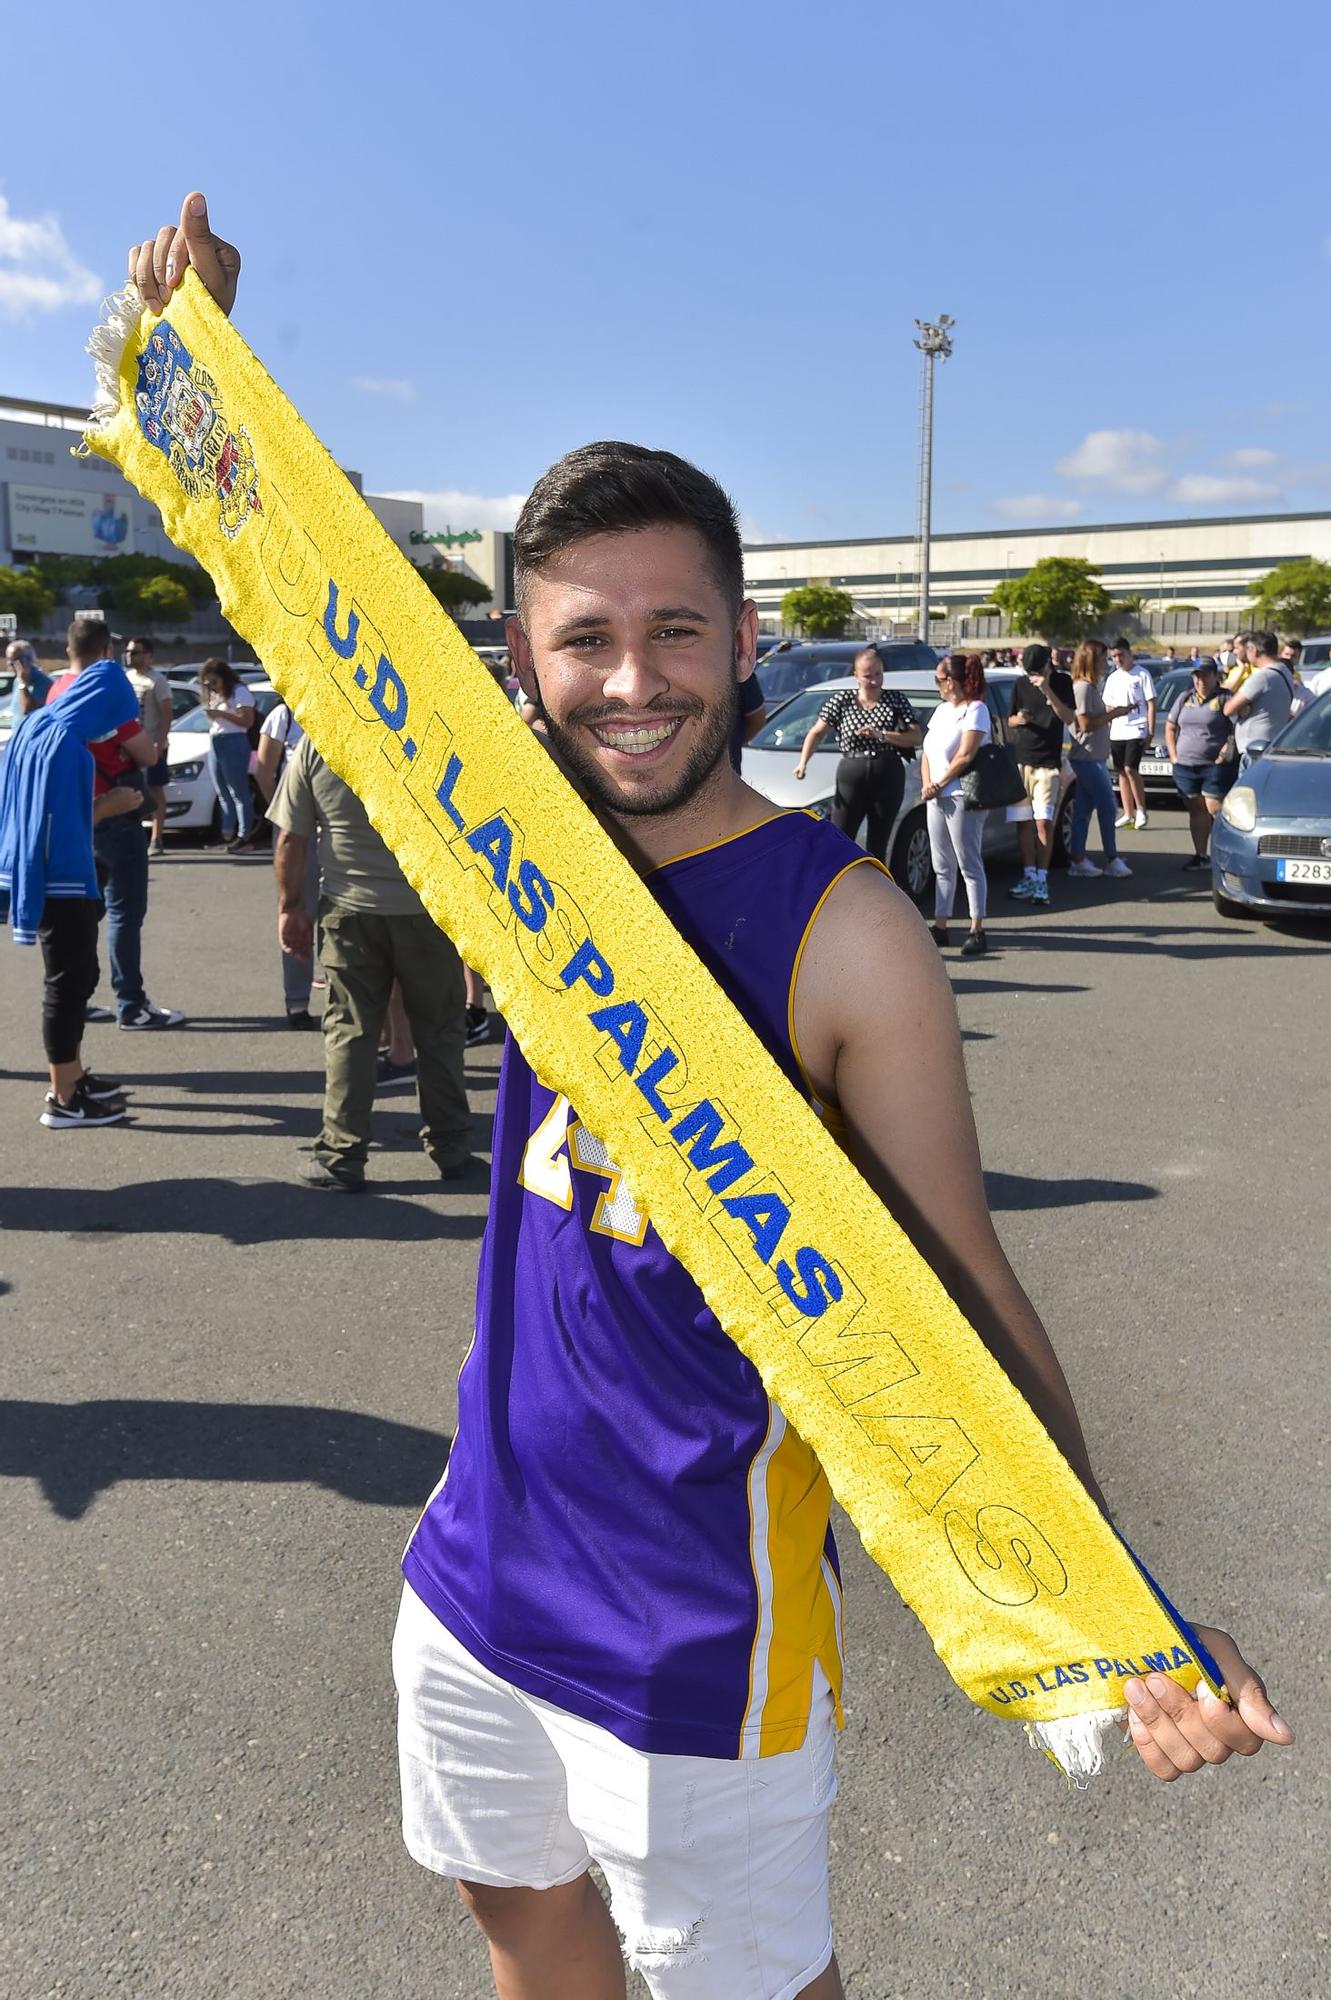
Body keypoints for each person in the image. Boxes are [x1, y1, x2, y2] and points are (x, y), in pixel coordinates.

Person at [137, 189, 1292, 2000]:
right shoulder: (517, 846)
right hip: (474, 1565)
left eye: (674, 633)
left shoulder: (846, 935)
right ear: (525, 662)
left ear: (746, 639)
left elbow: (962, 1286)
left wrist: (1109, 1609)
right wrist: (211, 365)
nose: (630, 683)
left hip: (698, 1628)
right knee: (511, 1912)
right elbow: (335, 616)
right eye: (583, 639)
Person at [267, 736, 473, 1191]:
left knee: (351, 1033)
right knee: (440, 1032)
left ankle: (342, 1154)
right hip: (427, 911)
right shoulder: (423, 731)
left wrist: (290, 906)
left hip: (349, 911)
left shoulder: (317, 743)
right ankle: (452, 1148)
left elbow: (291, 838)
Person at [0, 653, 143, 1126]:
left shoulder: (38, 724)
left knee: (76, 979)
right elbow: (60, 821)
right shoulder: (67, 745)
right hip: (61, 877)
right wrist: (110, 803)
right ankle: (65, 1099)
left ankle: (73, 1077)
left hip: (40, 869)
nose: (113, 727)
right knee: (67, 984)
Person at [47, 620, 185, 1032]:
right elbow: (143, 753)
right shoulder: (105, 692)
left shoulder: (56, 690)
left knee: (84, 911)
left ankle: (75, 995)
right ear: (107, 650)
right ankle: (131, 1004)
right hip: (115, 813)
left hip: (75, 815)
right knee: (125, 911)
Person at [792, 647, 922, 863]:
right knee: (841, 835)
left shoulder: (895, 699)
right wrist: (803, 762)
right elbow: (816, 733)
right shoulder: (842, 701)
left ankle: (876, 890)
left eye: (878, 674)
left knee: (878, 841)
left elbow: (915, 737)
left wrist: (882, 735)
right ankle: (839, 887)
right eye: (868, 675)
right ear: (856, 677)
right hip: (853, 770)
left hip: (887, 770)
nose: (874, 681)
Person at [1036, 640, 1133, 880]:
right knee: (1108, 806)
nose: (1105, 662)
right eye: (1102, 657)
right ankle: (1112, 858)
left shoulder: (1089, 687)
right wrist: (1115, 713)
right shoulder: (1083, 688)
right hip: (1087, 757)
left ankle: (1078, 857)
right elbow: (1084, 724)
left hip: (1093, 756)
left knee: (1082, 809)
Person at [920, 653, 989, 957]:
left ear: (951, 681)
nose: (936, 685)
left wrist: (940, 782)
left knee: (968, 862)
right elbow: (927, 751)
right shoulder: (941, 711)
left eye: (938, 679)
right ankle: (941, 924)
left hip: (961, 795)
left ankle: (977, 928)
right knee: (941, 864)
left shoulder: (976, 710)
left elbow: (966, 755)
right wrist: (928, 784)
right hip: (935, 796)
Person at [256, 698, 319, 1027]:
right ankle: (297, 1002)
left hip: (332, 827)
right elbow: (264, 770)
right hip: (297, 829)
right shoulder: (283, 715)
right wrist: (284, 814)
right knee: (297, 910)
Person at [1006, 641, 1073, 905]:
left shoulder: (1062, 682)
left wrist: (1047, 690)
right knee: (1023, 822)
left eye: (1036, 670)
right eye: (1029, 671)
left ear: (1048, 664)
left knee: (1043, 823)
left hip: (1048, 764)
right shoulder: (1020, 684)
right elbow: (1009, 719)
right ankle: (1029, 874)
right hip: (1022, 760)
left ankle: (1043, 880)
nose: (1032, 676)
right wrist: (1018, 720)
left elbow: (1068, 717)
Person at [1166, 658, 1236, 869]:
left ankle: (1225, 856)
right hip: (1185, 765)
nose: (1201, 680)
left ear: (1216, 676)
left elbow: (1236, 730)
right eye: (1197, 676)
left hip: (1214, 766)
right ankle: (1201, 856)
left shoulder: (1225, 698)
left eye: (1205, 675)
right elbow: (1170, 727)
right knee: (1196, 810)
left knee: (1215, 808)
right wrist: (1174, 756)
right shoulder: (1184, 697)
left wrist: (1225, 752)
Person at [122, 636, 174, 854]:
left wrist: (158, 745)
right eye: (128, 651)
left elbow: (166, 715)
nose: (130, 655)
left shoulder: (157, 681)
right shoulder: (127, 677)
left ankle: (157, 837)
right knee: (131, 791)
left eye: (136, 652)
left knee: (155, 792)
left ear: (148, 655)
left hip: (152, 745)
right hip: (130, 747)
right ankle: (134, 836)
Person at [199, 659, 257, 846]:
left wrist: (221, 714)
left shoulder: (239, 691)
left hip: (234, 741)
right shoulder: (215, 695)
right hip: (216, 740)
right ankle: (226, 832)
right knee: (222, 790)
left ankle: (244, 833)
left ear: (224, 677)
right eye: (207, 684)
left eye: (214, 682)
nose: (212, 687)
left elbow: (247, 721)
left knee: (238, 790)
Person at [1103, 640, 1156, 831]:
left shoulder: (1142, 674)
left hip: (1137, 727)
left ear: (1129, 653)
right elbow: (1107, 705)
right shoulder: (1113, 678)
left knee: (1130, 768)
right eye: (1114, 656)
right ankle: (1128, 812)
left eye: (1120, 655)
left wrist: (1150, 730)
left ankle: (1141, 809)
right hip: (1118, 729)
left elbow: (1151, 703)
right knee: (1121, 772)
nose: (1118, 659)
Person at [1223, 630, 1294, 770]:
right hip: (1272, 744)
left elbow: (1228, 709)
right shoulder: (1284, 671)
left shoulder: (1262, 677)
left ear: (1254, 650)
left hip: (1254, 750)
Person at [5, 639, 52, 733]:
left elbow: (28, 709)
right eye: (8, 659)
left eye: (13, 660)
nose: (9, 664)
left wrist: (23, 683)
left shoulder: (44, 682)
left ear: (28, 659)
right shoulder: (17, 681)